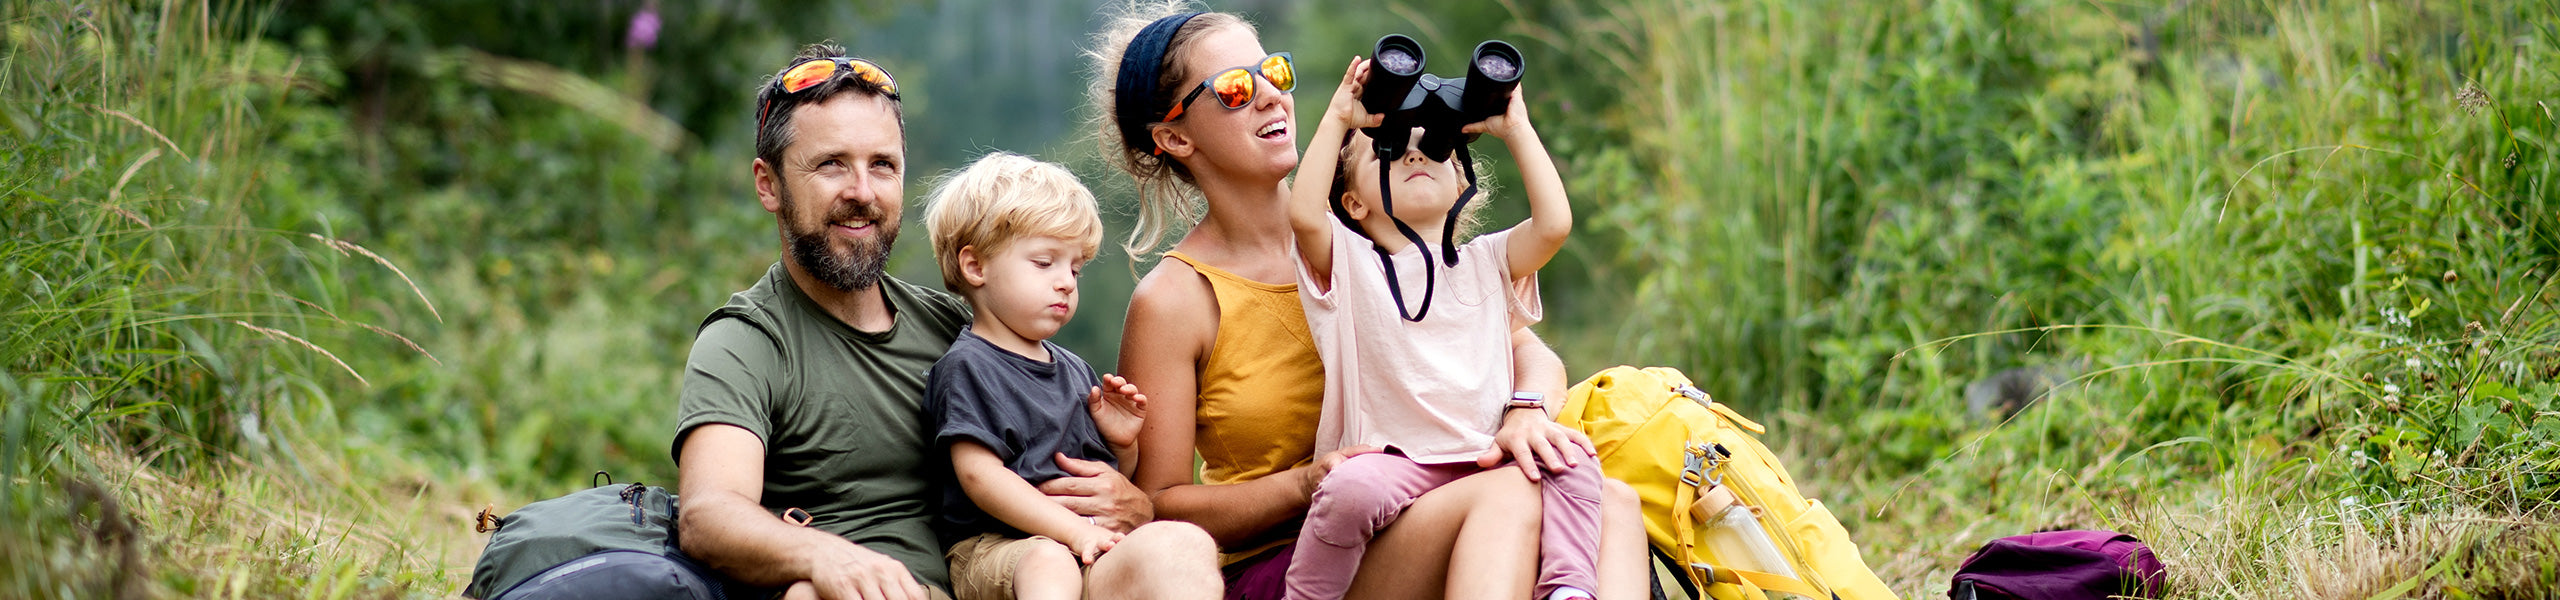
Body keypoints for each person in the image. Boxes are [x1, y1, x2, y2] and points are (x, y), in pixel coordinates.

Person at [1086, 4, 1650, 598]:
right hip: (1299, 558)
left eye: (1275, 74)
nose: (1270, 97)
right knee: (1513, 494)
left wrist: (1527, 411)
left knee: (1611, 500)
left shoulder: (1371, 224)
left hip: (1430, 504)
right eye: (1232, 90)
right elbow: (1159, 506)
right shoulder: (1176, 299)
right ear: (1174, 136)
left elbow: (1519, 348)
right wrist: (1306, 484)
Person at [673, 43, 1207, 600]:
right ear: (769, 184)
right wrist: (828, 556)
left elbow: (1065, 451)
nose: (862, 192)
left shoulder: (957, 324)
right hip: (883, 590)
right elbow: (709, 516)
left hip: (1030, 571)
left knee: (1179, 550)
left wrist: (1130, 499)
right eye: (831, 164)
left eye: (882, 165)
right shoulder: (747, 340)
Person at [1280, 57, 1604, 600]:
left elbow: (1554, 225)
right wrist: (1341, 117)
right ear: (1353, 203)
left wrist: (1515, 127)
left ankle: (1569, 589)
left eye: (1435, 148)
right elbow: (1305, 215)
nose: (1415, 152)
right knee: (1347, 492)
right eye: (1389, 147)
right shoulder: (1350, 265)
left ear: (1462, 183)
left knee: (1575, 462)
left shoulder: (1488, 260)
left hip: (1488, 452)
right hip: (1393, 461)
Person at [917, 152, 1221, 600]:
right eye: (1044, 263)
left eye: (1074, 268)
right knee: (1048, 561)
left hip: (1082, 543)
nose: (1066, 282)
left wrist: (1122, 445)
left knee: (1186, 544)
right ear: (975, 267)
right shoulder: (968, 366)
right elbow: (980, 476)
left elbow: (1100, 477)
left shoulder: (1073, 368)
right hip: (996, 550)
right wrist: (1072, 533)